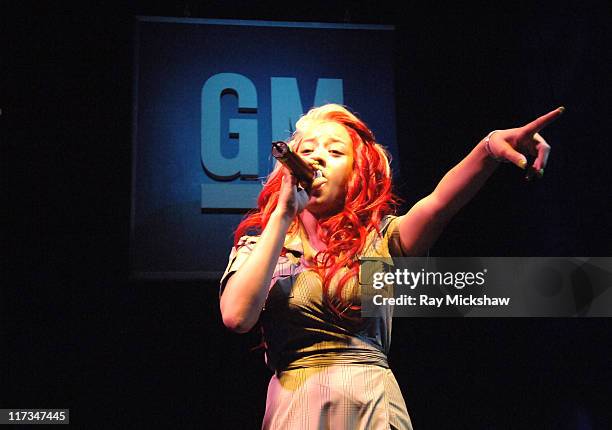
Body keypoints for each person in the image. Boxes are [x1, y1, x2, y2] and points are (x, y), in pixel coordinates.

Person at [219, 104, 563, 429]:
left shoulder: (381, 239)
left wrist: (486, 149)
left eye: (335, 152)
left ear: (356, 173)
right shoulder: (261, 247)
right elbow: (237, 316)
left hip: (371, 406)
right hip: (295, 407)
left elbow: (439, 204)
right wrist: (283, 217)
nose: (318, 158)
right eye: (308, 151)